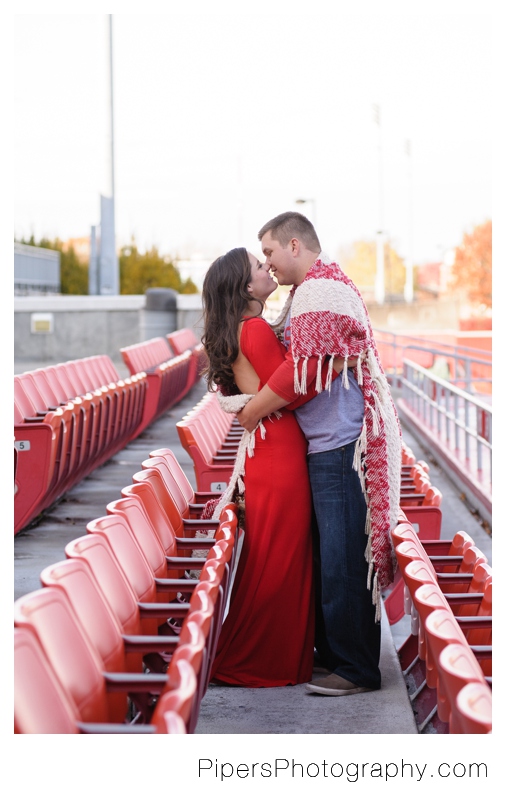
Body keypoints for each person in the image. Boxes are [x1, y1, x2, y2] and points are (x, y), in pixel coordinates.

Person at [236, 212, 403, 697]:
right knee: (332, 555)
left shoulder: (319, 290)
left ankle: (355, 670)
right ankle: (334, 657)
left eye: (268, 252)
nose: (267, 263)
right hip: (329, 444)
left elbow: (303, 375)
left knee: (343, 558)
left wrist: (252, 413)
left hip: (341, 446)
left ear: (293, 245)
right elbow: (312, 363)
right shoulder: (311, 291)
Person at [201, 247, 326, 687]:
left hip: (271, 450)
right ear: (245, 287)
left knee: (276, 557)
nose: (266, 268)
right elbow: (292, 387)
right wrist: (335, 366)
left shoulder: (243, 329)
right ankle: (256, 661)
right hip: (279, 452)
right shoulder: (253, 329)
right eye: (258, 266)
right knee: (281, 560)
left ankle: (278, 658)